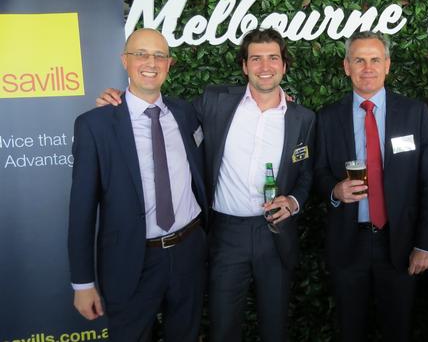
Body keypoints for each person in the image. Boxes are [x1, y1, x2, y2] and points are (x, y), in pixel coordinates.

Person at [97, 27, 315, 342]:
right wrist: (119, 99)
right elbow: (162, 108)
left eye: (273, 58)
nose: (264, 67)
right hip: (225, 234)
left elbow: (306, 173)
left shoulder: (303, 118)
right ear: (244, 66)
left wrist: (294, 202)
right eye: (256, 58)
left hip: (276, 235)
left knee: (275, 327)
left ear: (284, 65)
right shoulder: (215, 102)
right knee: (222, 327)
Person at [68, 28, 208, 341]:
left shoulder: (185, 114)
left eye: (159, 55)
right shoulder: (96, 125)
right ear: (125, 61)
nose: (151, 62)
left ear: (170, 64)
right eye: (141, 54)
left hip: (188, 252)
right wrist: (82, 282)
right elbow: (81, 211)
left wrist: (277, 95)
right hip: (131, 260)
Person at [314, 31, 428, 341]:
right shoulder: (328, 117)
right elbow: (317, 172)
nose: (367, 67)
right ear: (346, 66)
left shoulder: (413, 113)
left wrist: (425, 245)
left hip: (399, 243)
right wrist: (334, 190)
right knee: (350, 329)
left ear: (387, 65)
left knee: (398, 328)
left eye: (375, 60)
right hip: (348, 242)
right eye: (359, 60)